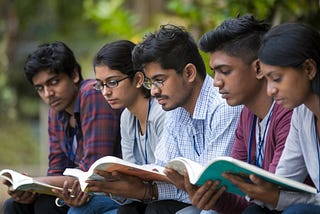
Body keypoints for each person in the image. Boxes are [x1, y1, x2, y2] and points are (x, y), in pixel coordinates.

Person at [86, 24, 242, 213]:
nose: (154, 90)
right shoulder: (174, 109)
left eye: (160, 80)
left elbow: (209, 189)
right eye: (151, 82)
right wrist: (139, 188)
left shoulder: (222, 107)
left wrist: (147, 190)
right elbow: (162, 169)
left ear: (189, 73)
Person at [181, 14, 293, 214]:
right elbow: (240, 201)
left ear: (258, 68)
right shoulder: (246, 116)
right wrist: (210, 197)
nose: (216, 82)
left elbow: (276, 193)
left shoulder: (288, 113)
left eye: (224, 71)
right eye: (214, 72)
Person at [2, 41, 122, 214]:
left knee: (45, 205)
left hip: (108, 190)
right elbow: (56, 169)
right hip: (75, 190)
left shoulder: (92, 94)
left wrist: (36, 181)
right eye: (40, 88)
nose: (48, 93)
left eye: (54, 82)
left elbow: (93, 173)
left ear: (73, 75)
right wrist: (30, 189)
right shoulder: (56, 112)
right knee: (13, 206)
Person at [222, 22, 320, 214]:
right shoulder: (301, 114)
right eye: (267, 80)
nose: (270, 90)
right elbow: (284, 180)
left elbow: (283, 196)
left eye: (276, 78)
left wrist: (274, 197)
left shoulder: (290, 113)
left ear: (309, 69)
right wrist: (258, 191)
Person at [67, 39, 167, 212]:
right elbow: (130, 170)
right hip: (139, 197)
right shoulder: (127, 117)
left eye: (112, 82)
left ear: (137, 79)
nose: (105, 92)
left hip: (166, 196)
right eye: (100, 84)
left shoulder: (161, 113)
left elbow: (166, 174)